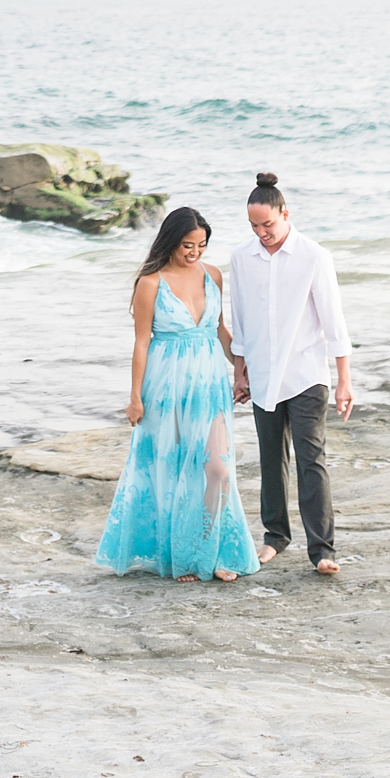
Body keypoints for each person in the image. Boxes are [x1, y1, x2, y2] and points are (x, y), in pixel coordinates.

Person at [96, 205, 260, 584]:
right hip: (166, 385)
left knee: (217, 470)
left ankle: (209, 548)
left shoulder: (213, 275)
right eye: (188, 245)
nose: (195, 252)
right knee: (172, 471)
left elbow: (220, 330)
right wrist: (135, 398)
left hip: (209, 385)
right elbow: (141, 344)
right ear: (170, 242)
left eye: (201, 245)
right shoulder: (150, 283)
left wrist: (241, 370)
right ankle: (183, 558)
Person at [229, 170, 354, 577]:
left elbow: (334, 322)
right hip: (263, 375)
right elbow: (241, 321)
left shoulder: (314, 256)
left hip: (305, 374)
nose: (262, 232)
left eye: (268, 223)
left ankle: (321, 548)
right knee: (270, 459)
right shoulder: (241, 257)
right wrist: (240, 372)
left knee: (311, 460)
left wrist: (344, 381)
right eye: (254, 226)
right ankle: (275, 537)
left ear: (286, 214)